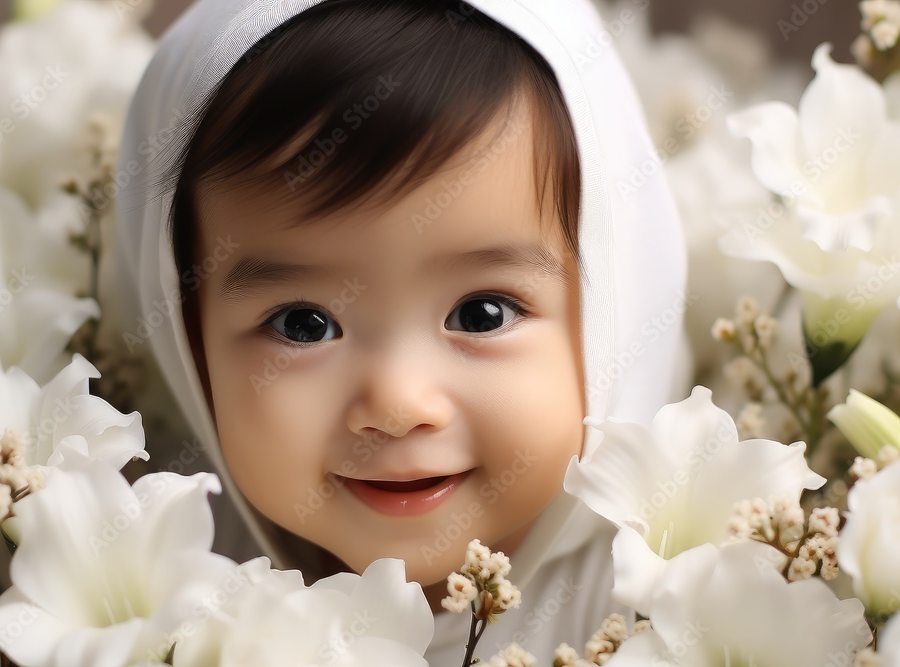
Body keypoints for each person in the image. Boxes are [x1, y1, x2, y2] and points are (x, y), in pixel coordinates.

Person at [116, 0, 692, 662]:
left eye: (483, 313)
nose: (396, 404)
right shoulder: (165, 584)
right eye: (303, 324)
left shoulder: (664, 599)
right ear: (189, 339)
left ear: (609, 317)